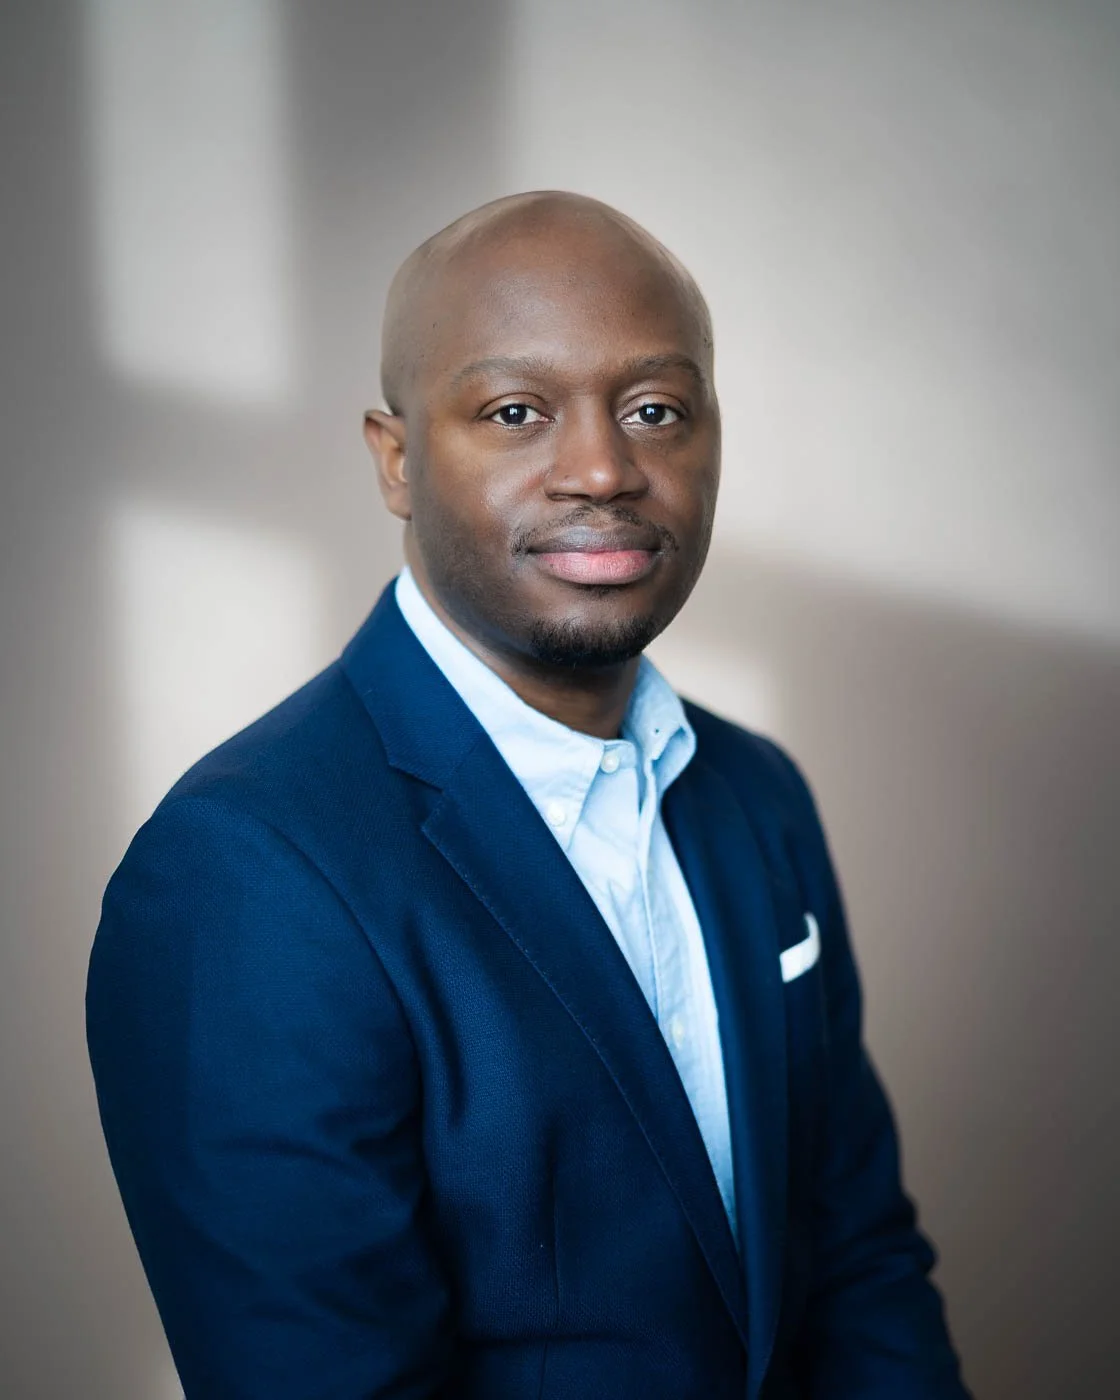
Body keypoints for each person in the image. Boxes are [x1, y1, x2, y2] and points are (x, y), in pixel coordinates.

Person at [86, 191, 970, 1399]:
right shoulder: (244, 871)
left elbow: (858, 1257)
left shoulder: (757, 794)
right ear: (397, 459)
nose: (604, 468)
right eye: (515, 412)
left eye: (654, 409)